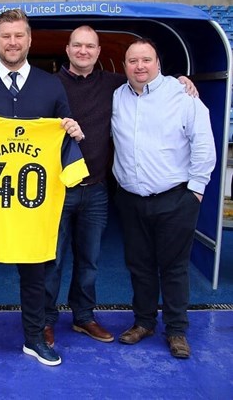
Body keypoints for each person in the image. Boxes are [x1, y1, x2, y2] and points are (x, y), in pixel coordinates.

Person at [0, 9, 85, 370]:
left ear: (29, 39)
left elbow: (64, 129)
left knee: (35, 276)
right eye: (5, 36)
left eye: (19, 35)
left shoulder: (51, 84)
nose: (12, 42)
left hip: (32, 208)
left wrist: (69, 129)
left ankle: (35, 338)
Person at [44, 25, 199, 347]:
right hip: (57, 190)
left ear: (100, 52)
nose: (83, 51)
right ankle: (44, 320)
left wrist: (181, 80)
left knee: (89, 260)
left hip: (98, 190)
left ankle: (83, 317)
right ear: (68, 49)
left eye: (90, 46)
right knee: (51, 260)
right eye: (77, 45)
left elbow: (151, 83)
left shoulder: (116, 85)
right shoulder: (47, 85)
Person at [112, 38, 216, 359]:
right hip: (131, 199)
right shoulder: (118, 96)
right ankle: (144, 322)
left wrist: (195, 191)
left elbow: (203, 144)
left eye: (146, 60)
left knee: (173, 268)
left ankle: (176, 330)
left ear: (158, 63)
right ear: (125, 65)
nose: (140, 66)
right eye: (133, 61)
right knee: (139, 265)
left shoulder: (182, 95)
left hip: (176, 199)